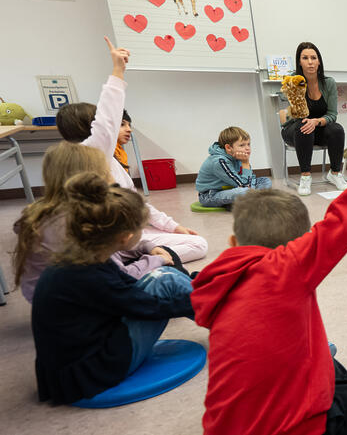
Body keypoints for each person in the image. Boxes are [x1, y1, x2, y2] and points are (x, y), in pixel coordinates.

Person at [190, 120, 347, 435]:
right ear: (297, 248)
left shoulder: (217, 282)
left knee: (337, 360)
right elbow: (345, 217)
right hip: (308, 426)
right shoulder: (283, 271)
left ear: (233, 244)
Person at [31, 172, 194, 405]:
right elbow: (149, 308)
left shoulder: (84, 257)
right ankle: (230, 319)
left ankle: (222, 310)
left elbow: (129, 290)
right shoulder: (88, 274)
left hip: (81, 360)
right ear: (126, 237)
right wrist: (202, 298)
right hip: (92, 371)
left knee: (165, 278)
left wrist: (203, 286)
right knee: (166, 283)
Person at [55, 37, 208, 263]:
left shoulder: (102, 157)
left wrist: (174, 227)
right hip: (113, 242)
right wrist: (118, 71)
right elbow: (107, 119)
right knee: (198, 245)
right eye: (119, 123)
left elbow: (139, 204)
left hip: (125, 236)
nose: (122, 127)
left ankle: (140, 256)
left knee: (192, 241)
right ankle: (143, 262)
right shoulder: (91, 152)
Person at [13, 142, 185, 303]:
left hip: (64, 296)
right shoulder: (73, 223)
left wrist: (148, 248)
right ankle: (194, 297)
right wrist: (158, 260)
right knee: (167, 275)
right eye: (107, 170)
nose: (112, 176)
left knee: (160, 253)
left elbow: (115, 254)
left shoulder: (53, 211)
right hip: (78, 303)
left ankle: (189, 288)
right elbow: (117, 275)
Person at [279, 42, 347, 196]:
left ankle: (335, 173)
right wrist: (293, 87)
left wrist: (316, 121)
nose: (310, 62)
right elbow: (288, 104)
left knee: (336, 129)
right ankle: (305, 176)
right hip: (295, 129)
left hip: (318, 128)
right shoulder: (293, 80)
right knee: (304, 125)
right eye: (305, 58)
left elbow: (332, 114)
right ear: (299, 62)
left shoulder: (328, 83)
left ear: (319, 61)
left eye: (313, 58)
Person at [195, 126, 272, 208]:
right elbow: (244, 186)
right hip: (210, 195)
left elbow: (251, 178)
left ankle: (251, 200)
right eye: (242, 145)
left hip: (232, 188)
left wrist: (250, 188)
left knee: (265, 180)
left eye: (248, 144)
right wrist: (245, 163)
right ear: (228, 148)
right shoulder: (220, 161)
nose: (247, 148)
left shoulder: (236, 156)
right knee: (243, 191)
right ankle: (256, 200)